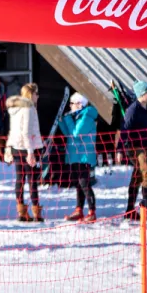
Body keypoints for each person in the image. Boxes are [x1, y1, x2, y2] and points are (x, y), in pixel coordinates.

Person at [118, 80, 147, 220]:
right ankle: (146, 207)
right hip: (136, 147)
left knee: (138, 176)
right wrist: (119, 149)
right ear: (142, 94)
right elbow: (124, 129)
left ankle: (129, 210)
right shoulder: (133, 110)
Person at [5, 83, 44, 222]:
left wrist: (8, 147)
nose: (37, 96)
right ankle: (36, 211)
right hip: (26, 148)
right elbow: (26, 132)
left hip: (16, 147)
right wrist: (30, 152)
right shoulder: (28, 108)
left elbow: (12, 130)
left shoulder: (15, 108)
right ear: (30, 95)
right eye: (36, 93)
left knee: (19, 179)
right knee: (32, 180)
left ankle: (21, 211)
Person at [58, 93, 99, 223]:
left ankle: (92, 211)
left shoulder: (86, 116)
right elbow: (68, 134)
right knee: (78, 184)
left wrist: (68, 120)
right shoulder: (76, 116)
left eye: (73, 103)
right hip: (75, 154)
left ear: (80, 104)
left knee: (84, 183)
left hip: (84, 156)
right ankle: (79, 209)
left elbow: (76, 133)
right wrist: (62, 121)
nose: (70, 106)